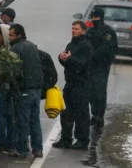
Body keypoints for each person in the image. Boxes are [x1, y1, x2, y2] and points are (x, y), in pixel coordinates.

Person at [53, 21, 93, 150]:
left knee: (81, 113)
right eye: (72, 28)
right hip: (70, 83)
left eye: (76, 29)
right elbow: (68, 63)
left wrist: (70, 59)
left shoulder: (86, 46)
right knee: (66, 113)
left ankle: (82, 140)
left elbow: (82, 64)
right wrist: (62, 57)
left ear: (83, 31)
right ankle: (66, 139)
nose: (73, 30)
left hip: (81, 84)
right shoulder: (71, 44)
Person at [9, 24, 44, 158]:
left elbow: (14, 72)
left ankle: (22, 149)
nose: (10, 38)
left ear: (18, 35)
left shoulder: (15, 48)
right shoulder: (31, 45)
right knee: (34, 120)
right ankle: (37, 149)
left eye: (11, 35)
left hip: (24, 89)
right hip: (36, 89)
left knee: (22, 121)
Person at [86, 8, 118, 127]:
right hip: (90, 66)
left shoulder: (107, 32)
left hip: (102, 66)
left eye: (96, 17)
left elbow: (107, 48)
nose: (94, 20)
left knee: (99, 91)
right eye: (93, 17)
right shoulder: (90, 31)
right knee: (91, 91)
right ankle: (95, 114)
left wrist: (94, 56)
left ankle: (99, 115)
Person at [0, 24, 17, 153]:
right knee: (7, 115)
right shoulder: (8, 48)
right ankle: (9, 143)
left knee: (1, 115)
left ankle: (3, 142)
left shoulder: (5, 51)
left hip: (4, 87)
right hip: (8, 87)